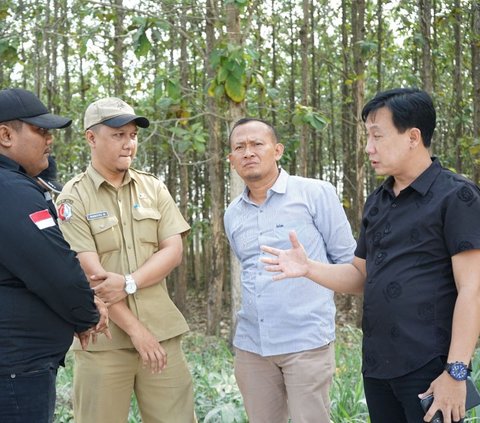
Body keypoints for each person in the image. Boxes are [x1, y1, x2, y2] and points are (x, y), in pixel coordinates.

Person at [260, 88, 480, 423]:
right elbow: (362, 277)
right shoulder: (378, 201)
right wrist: (308, 268)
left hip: (430, 366)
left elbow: (473, 289)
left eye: (377, 136)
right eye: (367, 136)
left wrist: (456, 372)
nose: (368, 148)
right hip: (378, 367)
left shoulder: (457, 196)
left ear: (413, 137)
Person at [56, 97, 196, 423]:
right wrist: (136, 330)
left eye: (132, 135)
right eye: (118, 135)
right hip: (104, 341)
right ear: (91, 138)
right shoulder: (73, 197)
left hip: (162, 335)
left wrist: (130, 282)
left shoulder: (153, 187)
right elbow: (93, 277)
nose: (129, 144)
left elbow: (172, 250)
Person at [224, 118, 356, 423]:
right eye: (239, 147)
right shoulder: (232, 214)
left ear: (278, 150)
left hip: (306, 343)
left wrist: (308, 268)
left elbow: (350, 264)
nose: (248, 153)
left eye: (257, 144)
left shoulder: (315, 194)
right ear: (231, 160)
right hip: (252, 346)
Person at [0, 87, 108, 423]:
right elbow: (55, 270)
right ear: (5, 134)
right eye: (40, 131)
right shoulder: (10, 190)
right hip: (16, 368)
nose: (50, 140)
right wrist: (87, 312)